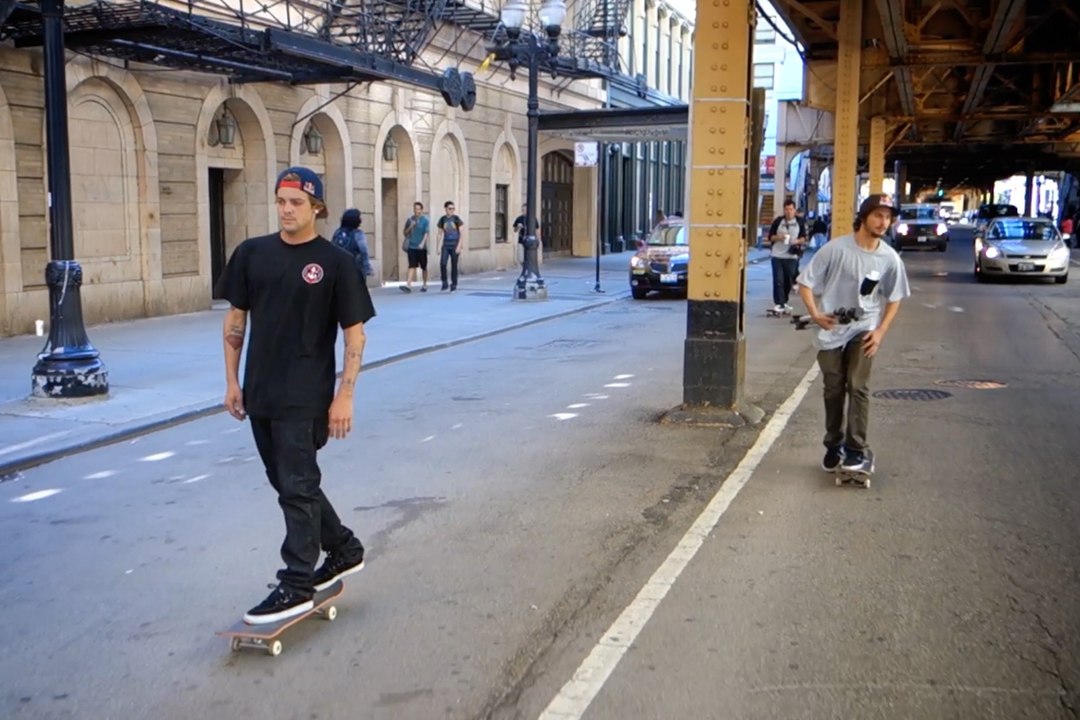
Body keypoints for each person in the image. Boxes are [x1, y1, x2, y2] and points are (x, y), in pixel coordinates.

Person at [218, 167, 376, 625]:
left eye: (297, 203)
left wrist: (344, 396)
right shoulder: (252, 254)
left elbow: (355, 336)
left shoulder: (335, 263)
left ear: (317, 208)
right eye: (282, 201)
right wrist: (231, 381)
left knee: (297, 486)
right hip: (260, 392)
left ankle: (297, 581)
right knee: (289, 482)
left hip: (305, 396)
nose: (287, 210)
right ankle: (343, 547)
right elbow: (234, 322)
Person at [797, 193, 910, 475]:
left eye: (888, 217)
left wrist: (881, 330)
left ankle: (855, 449)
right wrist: (815, 314)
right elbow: (805, 283)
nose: (884, 222)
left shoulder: (889, 258)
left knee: (857, 386)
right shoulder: (836, 249)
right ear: (864, 217)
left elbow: (895, 297)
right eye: (878, 215)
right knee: (834, 389)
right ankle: (833, 445)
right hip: (832, 329)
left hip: (864, 328)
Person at [767, 199, 807, 313]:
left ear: (794, 210)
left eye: (791, 209)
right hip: (777, 255)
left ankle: (784, 302)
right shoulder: (778, 221)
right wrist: (780, 237)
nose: (788, 212)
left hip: (791, 256)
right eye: (786, 209)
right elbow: (770, 237)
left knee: (788, 280)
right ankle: (779, 303)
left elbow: (804, 238)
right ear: (784, 210)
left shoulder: (800, 222)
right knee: (778, 280)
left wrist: (797, 241)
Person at [331, 208, 373, 284]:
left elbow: (332, 248)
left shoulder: (338, 232)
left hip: (340, 268)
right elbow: (364, 251)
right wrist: (367, 268)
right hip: (356, 268)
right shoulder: (358, 234)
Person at [401, 202, 430, 293]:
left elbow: (426, 233)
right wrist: (411, 226)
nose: (416, 211)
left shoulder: (425, 220)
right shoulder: (410, 220)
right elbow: (405, 233)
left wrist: (422, 243)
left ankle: (425, 284)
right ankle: (408, 285)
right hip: (412, 246)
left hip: (421, 247)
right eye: (415, 209)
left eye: (418, 209)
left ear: (421, 210)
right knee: (412, 265)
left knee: (424, 267)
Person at [437, 200, 464, 292]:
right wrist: (438, 246)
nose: (451, 210)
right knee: (443, 263)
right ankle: (444, 282)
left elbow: (461, 233)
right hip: (446, 244)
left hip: (455, 244)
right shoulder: (442, 219)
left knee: (454, 265)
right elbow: (440, 233)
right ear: (445, 209)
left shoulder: (456, 219)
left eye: (453, 208)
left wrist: (459, 246)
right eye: (450, 208)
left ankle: (454, 283)